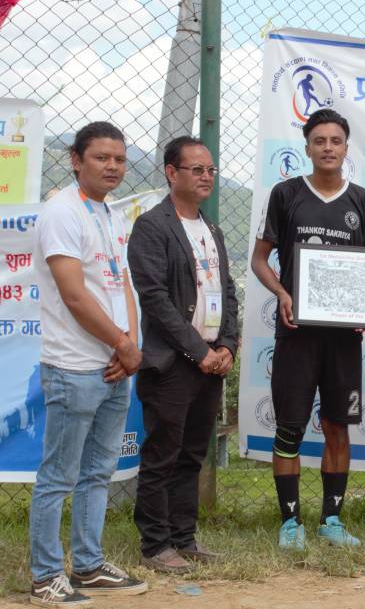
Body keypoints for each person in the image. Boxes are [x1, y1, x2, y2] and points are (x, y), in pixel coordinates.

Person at [251, 109, 365, 550]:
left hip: (344, 337)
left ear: (347, 147)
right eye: (319, 140)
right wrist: (282, 293)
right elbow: (259, 259)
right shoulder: (286, 193)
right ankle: (290, 523)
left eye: (336, 141)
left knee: (337, 427)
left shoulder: (363, 200)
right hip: (297, 332)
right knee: (289, 427)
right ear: (307, 147)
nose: (328, 147)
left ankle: (332, 520)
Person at [29, 122, 147, 606]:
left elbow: (123, 285)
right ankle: (45, 576)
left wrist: (130, 344)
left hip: (114, 364)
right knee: (59, 475)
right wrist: (122, 343)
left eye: (119, 159)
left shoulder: (112, 213)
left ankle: (90, 564)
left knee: (98, 472)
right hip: (74, 366)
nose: (112, 166)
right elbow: (74, 296)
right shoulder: (61, 212)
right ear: (76, 160)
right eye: (101, 158)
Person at [127, 136, 240, 573]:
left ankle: (184, 538)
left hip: (212, 362)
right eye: (196, 169)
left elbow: (226, 291)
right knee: (163, 454)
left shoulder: (212, 229)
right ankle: (155, 545)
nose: (206, 176)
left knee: (193, 454)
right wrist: (198, 352)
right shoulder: (152, 226)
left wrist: (227, 344)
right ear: (171, 174)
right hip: (174, 362)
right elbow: (154, 298)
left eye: (210, 169)